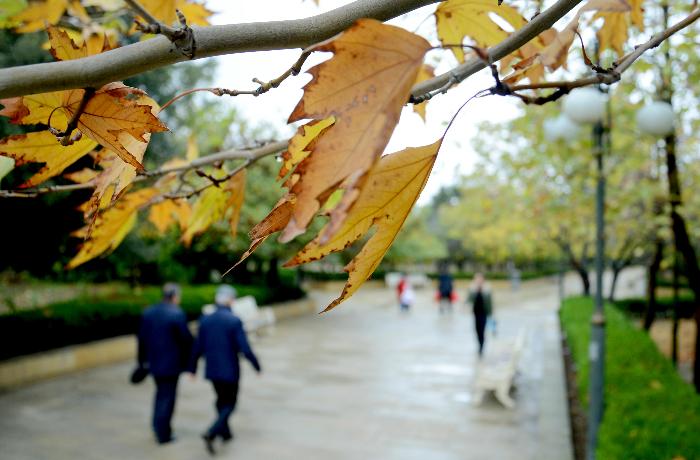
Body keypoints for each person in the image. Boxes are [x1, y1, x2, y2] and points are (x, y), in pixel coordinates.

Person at [189, 285, 262, 455]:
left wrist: (191, 368)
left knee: (221, 400)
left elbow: (197, 347)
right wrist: (256, 365)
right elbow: (245, 348)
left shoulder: (205, 319)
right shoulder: (234, 320)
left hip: (213, 370)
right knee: (230, 403)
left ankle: (226, 433)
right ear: (229, 300)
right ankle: (212, 432)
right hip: (230, 371)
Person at [137, 282, 193, 444]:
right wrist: (190, 364)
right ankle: (163, 433)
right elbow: (186, 340)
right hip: (171, 366)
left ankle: (157, 426)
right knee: (167, 398)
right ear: (175, 296)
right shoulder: (177, 313)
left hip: (154, 364)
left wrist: (142, 362)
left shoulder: (149, 312)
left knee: (160, 395)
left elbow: (141, 339)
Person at [467, 273, 493, 356]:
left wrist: (491, 314)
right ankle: (479, 344)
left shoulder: (487, 289)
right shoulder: (472, 288)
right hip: (475, 313)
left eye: (479, 279)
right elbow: (469, 300)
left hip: (484, 313)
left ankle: (481, 347)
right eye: (476, 279)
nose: (478, 280)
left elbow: (490, 303)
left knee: (482, 330)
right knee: (477, 330)